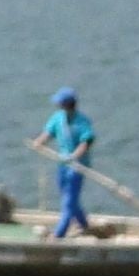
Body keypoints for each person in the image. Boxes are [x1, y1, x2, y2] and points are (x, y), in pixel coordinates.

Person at [38, 87, 95, 238]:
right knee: (66, 195)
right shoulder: (58, 118)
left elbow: (86, 142)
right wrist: (39, 142)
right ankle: (84, 224)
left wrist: (74, 156)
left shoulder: (82, 121)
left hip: (77, 166)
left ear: (68, 104)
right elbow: (48, 133)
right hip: (62, 163)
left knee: (68, 201)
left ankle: (59, 234)